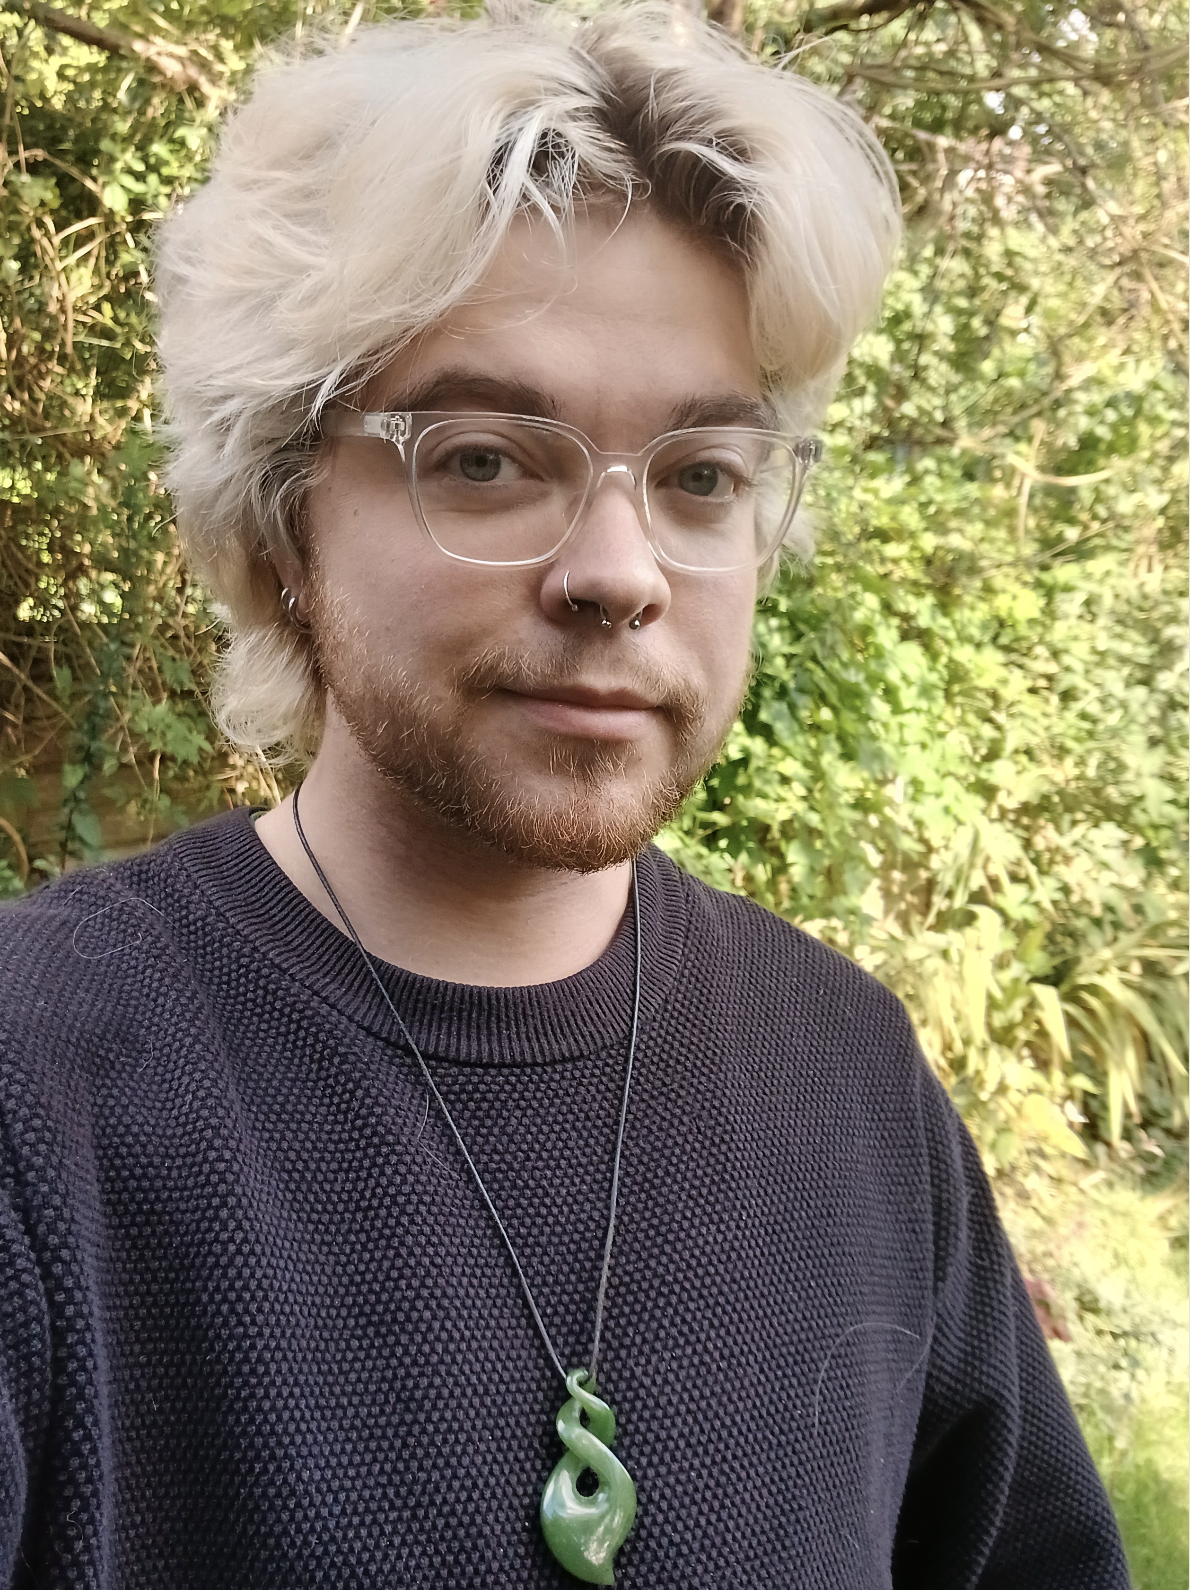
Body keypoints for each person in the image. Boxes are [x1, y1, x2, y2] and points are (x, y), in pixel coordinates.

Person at [0, 4, 1129, 1586]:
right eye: (483, 458)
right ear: (277, 527)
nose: (617, 572)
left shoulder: (851, 1074)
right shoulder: (40, 1088)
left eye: (699, 477)